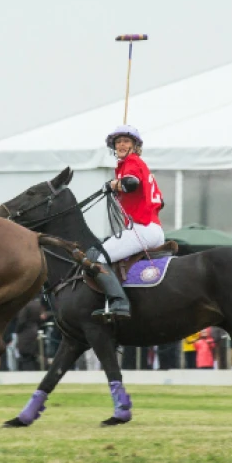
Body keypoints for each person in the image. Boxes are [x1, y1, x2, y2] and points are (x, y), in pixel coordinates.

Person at [81, 125, 164, 321]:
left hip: (142, 229)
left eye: (126, 141)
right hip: (154, 229)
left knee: (94, 258)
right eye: (118, 142)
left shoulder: (132, 162)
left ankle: (119, 302)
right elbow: (160, 201)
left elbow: (131, 183)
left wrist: (113, 185)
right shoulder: (140, 166)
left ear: (135, 145)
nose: (121, 145)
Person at [14, 297, 45, 371]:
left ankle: (27, 373)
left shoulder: (25, 305)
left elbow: (21, 321)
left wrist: (16, 331)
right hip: (35, 330)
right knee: (32, 355)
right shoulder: (37, 304)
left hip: (25, 333)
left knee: (25, 356)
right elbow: (40, 319)